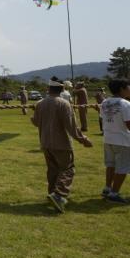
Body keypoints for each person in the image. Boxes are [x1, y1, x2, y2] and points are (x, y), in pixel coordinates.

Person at [31, 77, 92, 213]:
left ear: (48, 89)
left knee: (53, 170)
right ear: (63, 89)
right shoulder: (64, 104)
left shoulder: (40, 103)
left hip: (45, 142)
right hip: (61, 143)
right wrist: (83, 139)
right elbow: (71, 126)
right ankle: (58, 195)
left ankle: (52, 193)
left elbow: (35, 122)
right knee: (67, 169)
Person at [99, 79, 130, 203]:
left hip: (108, 138)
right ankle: (114, 194)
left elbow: (102, 119)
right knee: (123, 168)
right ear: (122, 88)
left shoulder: (105, 102)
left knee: (110, 165)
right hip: (122, 140)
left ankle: (107, 188)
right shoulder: (125, 104)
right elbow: (129, 123)